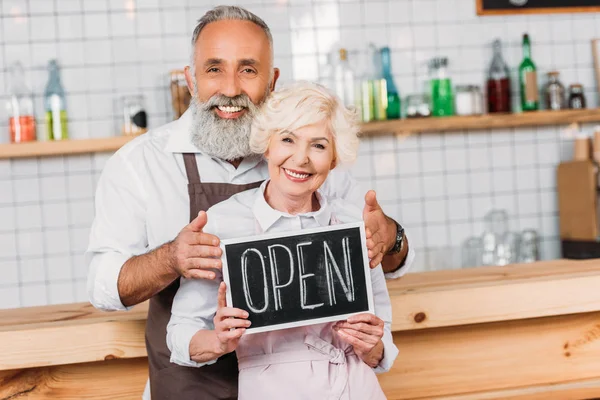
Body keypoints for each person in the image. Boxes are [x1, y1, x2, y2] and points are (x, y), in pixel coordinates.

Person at [86, 5, 413, 400]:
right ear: (191, 78)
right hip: (191, 385)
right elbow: (104, 287)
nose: (230, 88)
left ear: (272, 81)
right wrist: (172, 257)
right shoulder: (141, 163)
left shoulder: (309, 160)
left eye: (247, 69)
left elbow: (382, 272)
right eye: (213, 69)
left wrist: (389, 236)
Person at [167, 81, 397, 400]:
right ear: (268, 146)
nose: (300, 158)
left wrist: (371, 345)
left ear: (333, 159)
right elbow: (179, 334)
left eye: (318, 145)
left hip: (355, 389)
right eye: (288, 139)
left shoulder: (352, 224)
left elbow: (384, 344)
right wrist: (218, 341)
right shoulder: (222, 223)